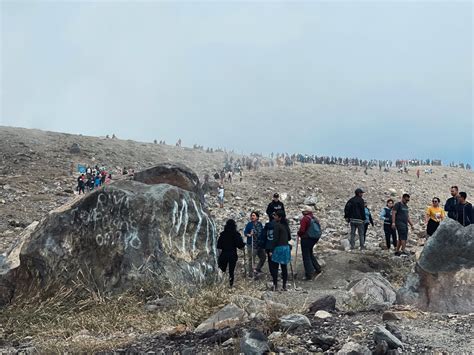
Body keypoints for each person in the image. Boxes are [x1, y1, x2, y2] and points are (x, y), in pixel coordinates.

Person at [217, 219, 245, 287]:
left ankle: (220, 283)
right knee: (231, 271)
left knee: (222, 270)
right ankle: (230, 285)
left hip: (224, 254)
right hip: (232, 254)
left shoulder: (223, 234)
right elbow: (240, 245)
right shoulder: (236, 234)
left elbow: (219, 246)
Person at [297, 205, 322, 280]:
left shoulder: (305, 219)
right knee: (310, 253)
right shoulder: (314, 218)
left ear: (306, 212)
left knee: (306, 256)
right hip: (314, 239)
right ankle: (317, 268)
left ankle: (309, 273)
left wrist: (299, 233)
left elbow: (302, 230)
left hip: (306, 238)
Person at [269, 210, 291, 291]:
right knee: (284, 267)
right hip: (286, 247)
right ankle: (284, 285)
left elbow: (275, 239)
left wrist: (271, 250)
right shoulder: (286, 226)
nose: (274, 217)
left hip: (278, 248)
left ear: (279, 217)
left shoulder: (277, 226)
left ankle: (275, 285)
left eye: (276, 216)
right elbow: (289, 238)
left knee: (275, 267)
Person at [243, 211, 265, 275]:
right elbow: (245, 233)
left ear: (257, 217)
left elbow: (262, 232)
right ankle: (251, 273)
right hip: (251, 244)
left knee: (263, 257)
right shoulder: (249, 224)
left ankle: (258, 269)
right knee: (252, 259)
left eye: (253, 215)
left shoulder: (260, 224)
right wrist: (249, 234)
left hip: (259, 244)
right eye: (251, 215)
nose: (252, 217)